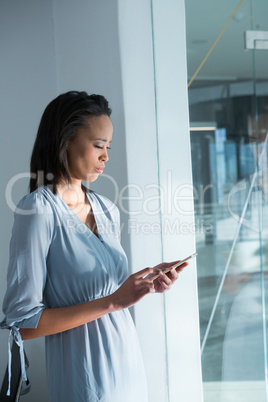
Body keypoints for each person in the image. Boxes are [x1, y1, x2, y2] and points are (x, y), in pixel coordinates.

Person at [0, 91, 188, 402]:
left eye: (108, 147)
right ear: (65, 142)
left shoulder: (105, 208)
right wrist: (114, 301)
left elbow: (111, 292)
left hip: (128, 369)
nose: (106, 156)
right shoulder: (38, 210)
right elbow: (22, 325)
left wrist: (144, 285)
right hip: (84, 380)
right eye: (98, 145)